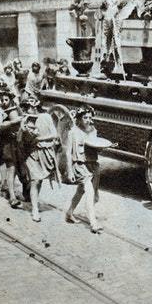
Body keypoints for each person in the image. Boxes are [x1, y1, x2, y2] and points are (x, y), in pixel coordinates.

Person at [18, 95, 58, 222]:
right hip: (31, 152)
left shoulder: (46, 117)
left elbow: (54, 134)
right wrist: (23, 129)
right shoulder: (25, 118)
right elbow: (19, 139)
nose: (26, 110)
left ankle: (34, 202)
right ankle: (35, 209)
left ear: (35, 106)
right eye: (24, 108)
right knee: (35, 180)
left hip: (45, 152)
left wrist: (39, 138)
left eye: (28, 107)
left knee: (40, 180)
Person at [65, 105, 103, 233]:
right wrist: (70, 171)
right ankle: (93, 223)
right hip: (80, 165)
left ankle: (69, 212)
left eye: (89, 118)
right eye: (85, 117)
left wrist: (103, 147)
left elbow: (95, 146)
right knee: (89, 192)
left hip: (93, 164)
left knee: (80, 191)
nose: (88, 120)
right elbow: (68, 153)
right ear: (79, 119)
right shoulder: (73, 132)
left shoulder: (93, 130)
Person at [0, 88, 23, 209]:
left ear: (10, 99)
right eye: (2, 99)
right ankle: (12, 197)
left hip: (19, 142)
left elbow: (24, 118)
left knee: (19, 169)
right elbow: (0, 125)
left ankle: (6, 186)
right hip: (7, 142)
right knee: (11, 168)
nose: (4, 101)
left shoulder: (16, 107)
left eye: (6, 99)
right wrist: (14, 121)